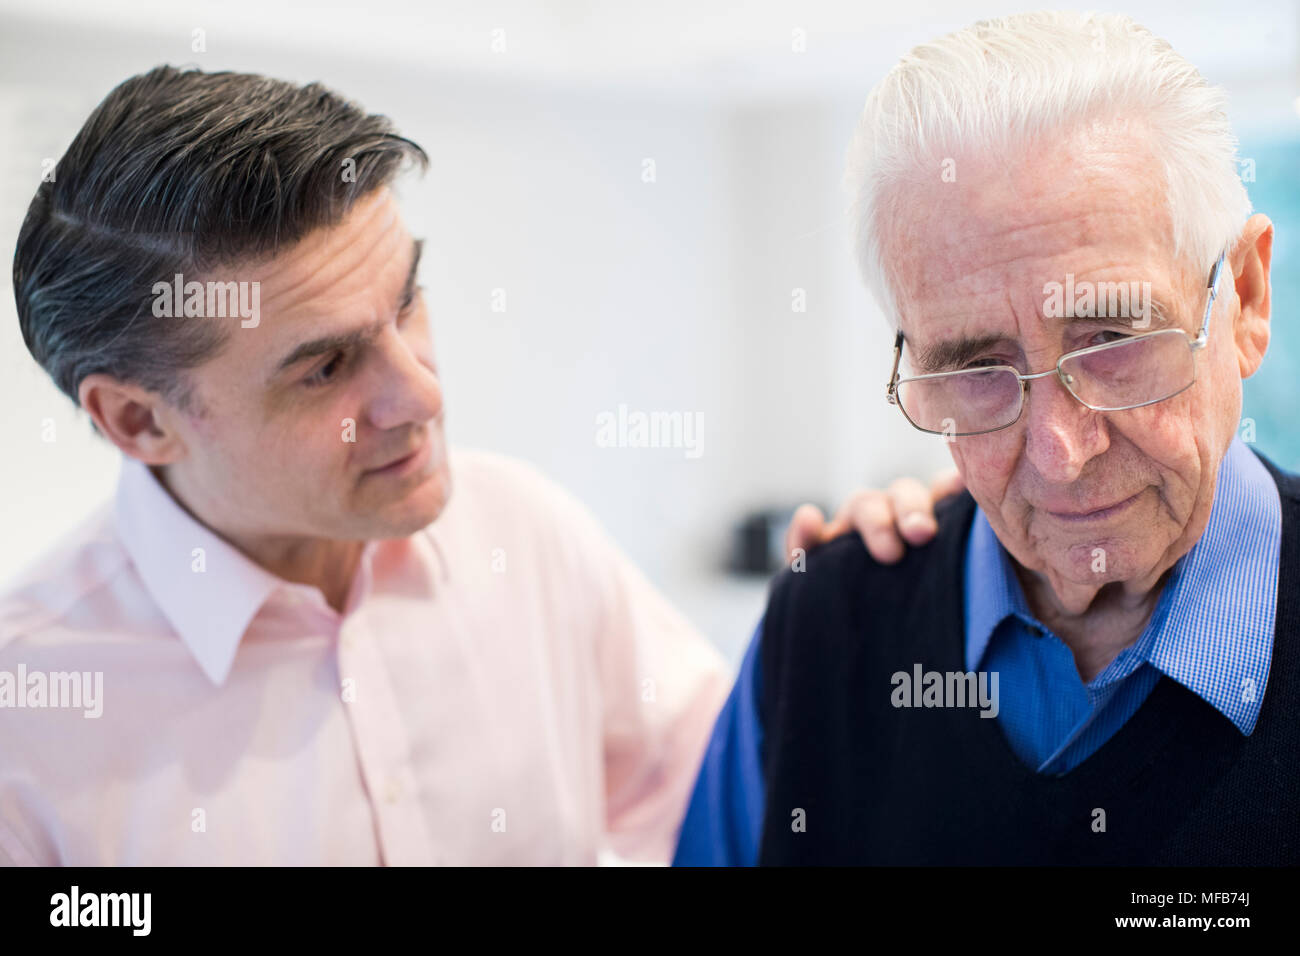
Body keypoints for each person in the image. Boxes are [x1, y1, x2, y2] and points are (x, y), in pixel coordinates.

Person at [0, 65, 949, 865]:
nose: (419, 395)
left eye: (408, 302)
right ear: (136, 419)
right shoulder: (27, 722)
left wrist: (886, 606)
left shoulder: (525, 537)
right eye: (325, 367)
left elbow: (764, 814)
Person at [674, 10, 1297, 866]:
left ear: (1248, 300)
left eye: (1111, 342)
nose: (1058, 452)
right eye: (976, 368)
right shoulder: (827, 631)